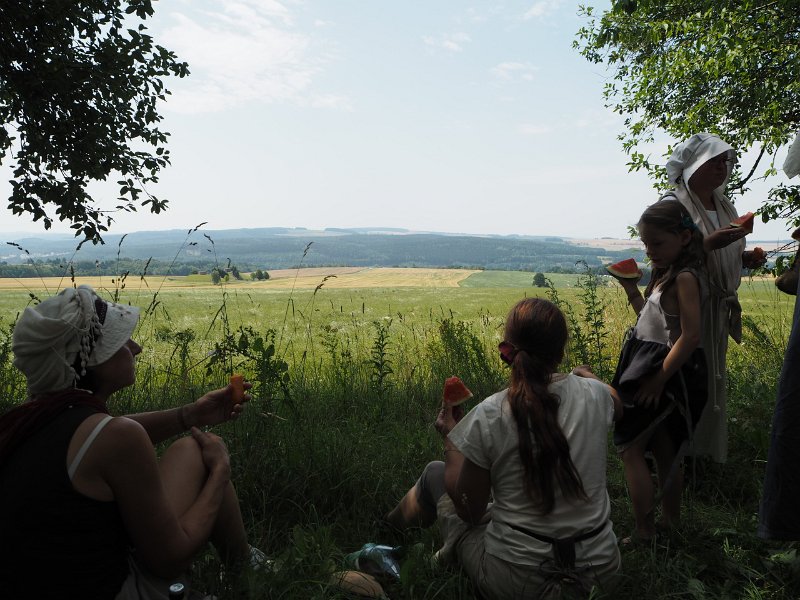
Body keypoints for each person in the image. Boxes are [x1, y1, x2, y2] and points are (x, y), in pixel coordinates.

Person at [0, 285, 262, 599]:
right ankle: (247, 571)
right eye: (120, 341)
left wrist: (190, 414)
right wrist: (220, 472)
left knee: (190, 449)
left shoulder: (28, 422)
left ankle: (247, 567)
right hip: (117, 591)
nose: (135, 348)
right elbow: (170, 560)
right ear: (89, 362)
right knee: (205, 458)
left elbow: (113, 435)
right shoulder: (115, 437)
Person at [384, 298, 623, 599]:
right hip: (600, 574)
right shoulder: (596, 395)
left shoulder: (492, 412)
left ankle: (388, 535)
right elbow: (616, 402)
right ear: (561, 352)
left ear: (508, 351)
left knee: (435, 474)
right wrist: (588, 377)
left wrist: (452, 438)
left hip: (517, 580)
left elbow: (469, 511)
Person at [661, 132, 765, 463]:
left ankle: (704, 455)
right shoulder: (673, 206)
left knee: (709, 380)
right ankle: (675, 457)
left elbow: (722, 255)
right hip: (687, 307)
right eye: (714, 161)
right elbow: (664, 259)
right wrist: (707, 245)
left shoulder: (725, 205)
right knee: (686, 377)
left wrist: (744, 259)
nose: (723, 167)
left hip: (717, 308)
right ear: (694, 165)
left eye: (725, 161)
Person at [610, 200, 708, 542]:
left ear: (684, 237)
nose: (650, 251)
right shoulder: (667, 273)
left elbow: (691, 336)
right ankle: (669, 522)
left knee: (630, 449)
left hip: (663, 372)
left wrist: (658, 380)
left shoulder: (685, 278)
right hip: (655, 366)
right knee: (666, 451)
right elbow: (650, 321)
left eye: (658, 243)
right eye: (645, 244)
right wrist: (631, 290)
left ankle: (644, 530)